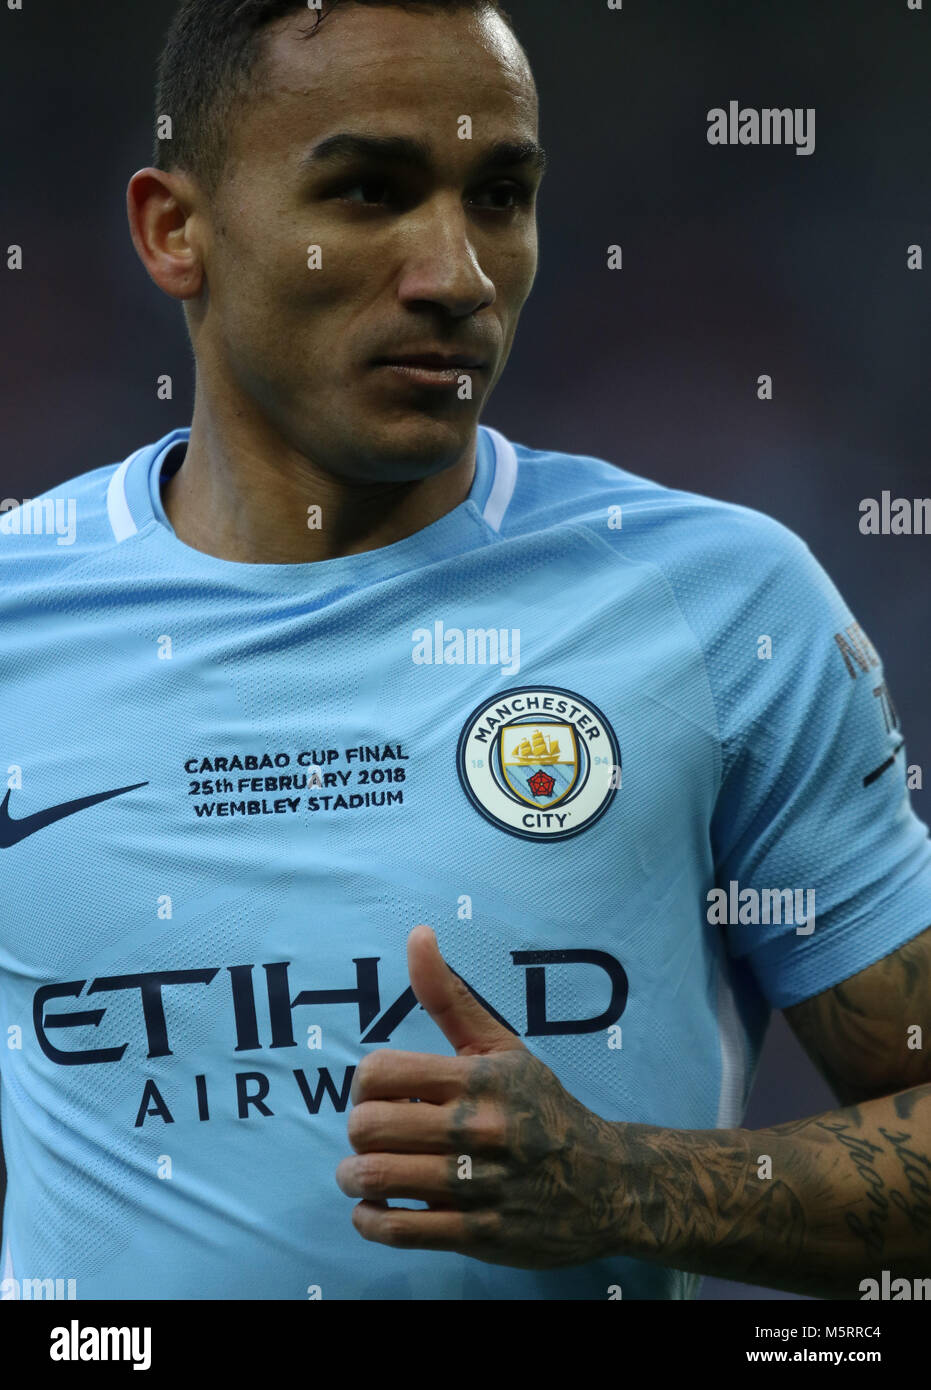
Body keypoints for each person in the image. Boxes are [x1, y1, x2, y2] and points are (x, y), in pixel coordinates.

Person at [1, 0, 928, 1301]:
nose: (457, 273)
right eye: (370, 191)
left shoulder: (725, 605)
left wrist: (628, 1187)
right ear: (175, 232)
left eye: (499, 195)